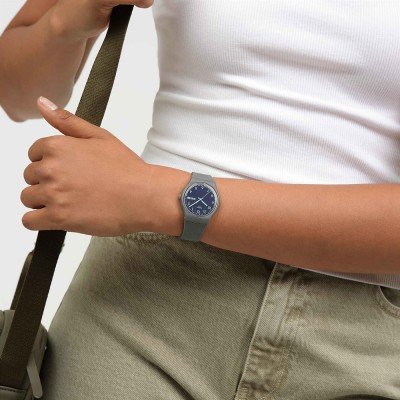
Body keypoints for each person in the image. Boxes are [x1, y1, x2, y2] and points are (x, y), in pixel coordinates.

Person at [1, 1, 399, 399]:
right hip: (142, 305)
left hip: (359, 343)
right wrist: (66, 19)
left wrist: (156, 195)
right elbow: (16, 90)